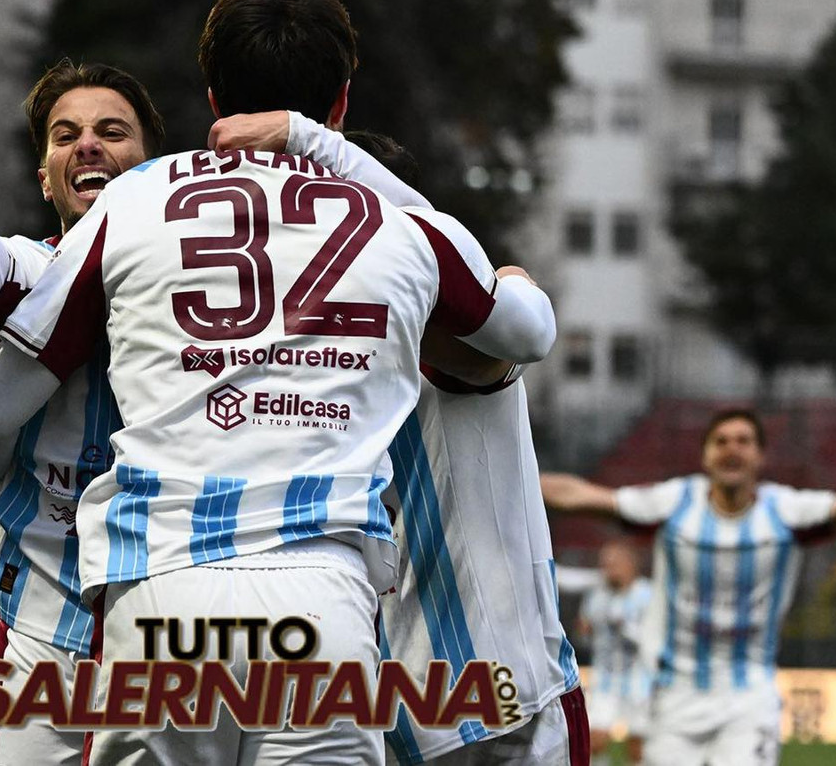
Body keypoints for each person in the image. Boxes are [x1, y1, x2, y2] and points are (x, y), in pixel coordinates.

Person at [0, 0, 556, 764]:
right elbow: (529, 331)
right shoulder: (400, 223)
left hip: (162, 588)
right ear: (341, 102)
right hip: (321, 594)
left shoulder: (133, 199)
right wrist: (320, 144)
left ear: (213, 98)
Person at [210, 116, 587, 765]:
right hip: (375, 710)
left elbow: (511, 328)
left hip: (499, 710)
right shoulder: (286, 365)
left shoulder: (452, 339)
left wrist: (306, 138)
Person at [0, 0, 165, 766]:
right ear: (46, 175)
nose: (88, 144)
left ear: (152, 166)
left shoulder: (202, 291)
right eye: (64, 135)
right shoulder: (22, 273)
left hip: (172, 642)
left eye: (113, 131)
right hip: (40, 651)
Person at [540, 408, 836, 766]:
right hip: (676, 697)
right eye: (721, 441)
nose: (732, 449)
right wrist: (513, 477)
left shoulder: (786, 510)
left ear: (760, 456)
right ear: (705, 456)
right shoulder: (676, 502)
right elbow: (580, 496)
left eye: (743, 441)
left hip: (750, 698)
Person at [578, 540, 651, 765]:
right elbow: (585, 632)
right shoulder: (596, 596)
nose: (608, 569)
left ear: (630, 564)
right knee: (595, 738)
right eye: (605, 564)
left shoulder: (647, 595)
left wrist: (627, 629)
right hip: (605, 679)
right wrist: (585, 630)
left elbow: (654, 639)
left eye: (613, 563)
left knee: (637, 744)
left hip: (639, 680)